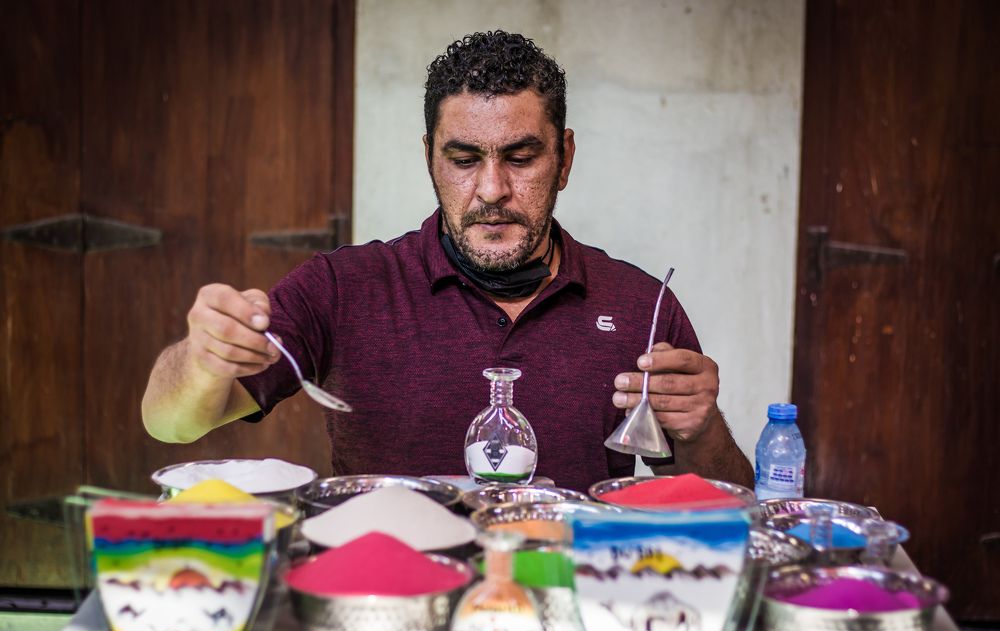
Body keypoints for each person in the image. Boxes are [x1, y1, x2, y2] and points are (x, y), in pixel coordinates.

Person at [142, 30, 753, 492]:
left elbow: (725, 500)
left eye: (521, 158)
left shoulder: (640, 307)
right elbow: (169, 423)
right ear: (429, 158)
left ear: (564, 159)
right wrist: (201, 359)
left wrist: (702, 429)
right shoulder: (343, 288)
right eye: (463, 159)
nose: (492, 189)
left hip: (563, 595)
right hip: (388, 597)